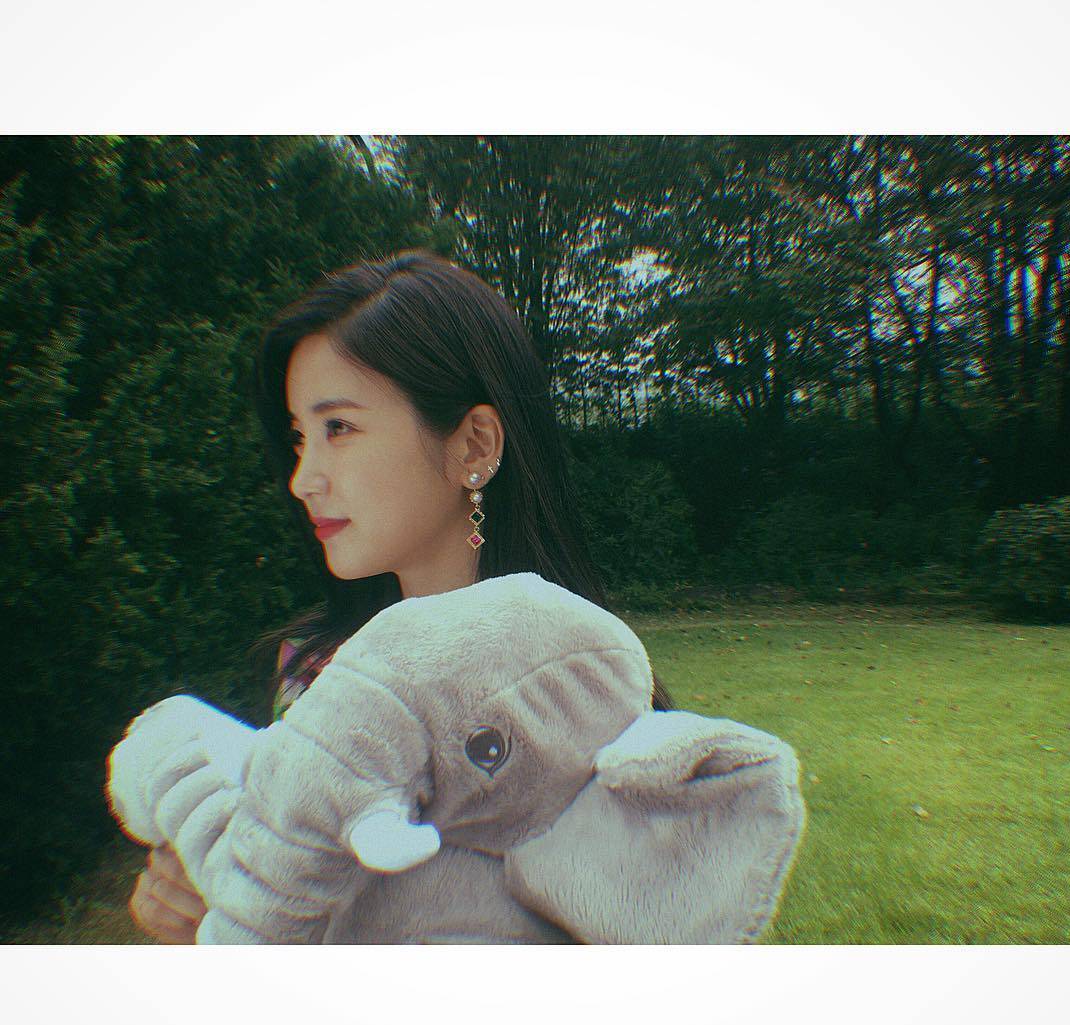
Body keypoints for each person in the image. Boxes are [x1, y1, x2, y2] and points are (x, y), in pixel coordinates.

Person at [129, 248, 676, 943]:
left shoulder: (582, 698)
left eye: (339, 428)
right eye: (299, 437)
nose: (302, 478)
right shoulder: (314, 669)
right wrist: (209, 909)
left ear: (474, 445)